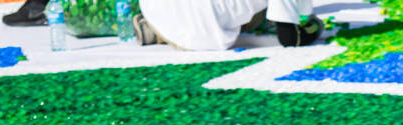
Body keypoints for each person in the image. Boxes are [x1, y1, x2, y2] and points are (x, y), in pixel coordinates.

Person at [132, 0, 322, 49]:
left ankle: (155, 31)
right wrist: (316, 27)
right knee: (258, 15)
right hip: (202, 33)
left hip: (154, 10)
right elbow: (291, 38)